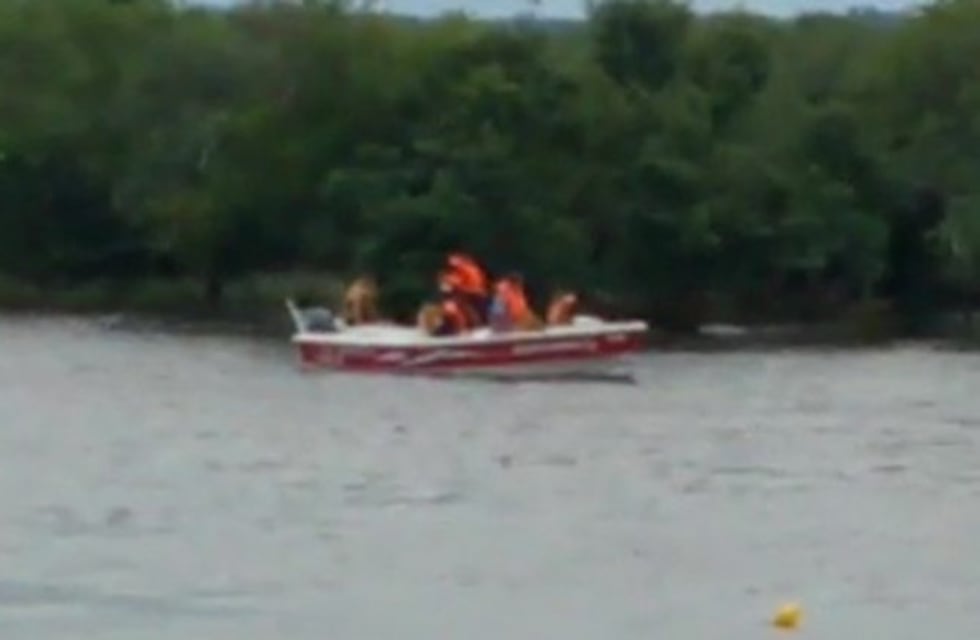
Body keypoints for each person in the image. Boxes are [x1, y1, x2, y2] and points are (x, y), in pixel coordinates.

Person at [445, 252, 490, 323]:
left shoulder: (467, 269)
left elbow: (473, 285)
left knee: (459, 304)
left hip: (474, 293)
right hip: (473, 293)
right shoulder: (465, 269)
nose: (452, 265)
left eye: (454, 261)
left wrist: (454, 283)